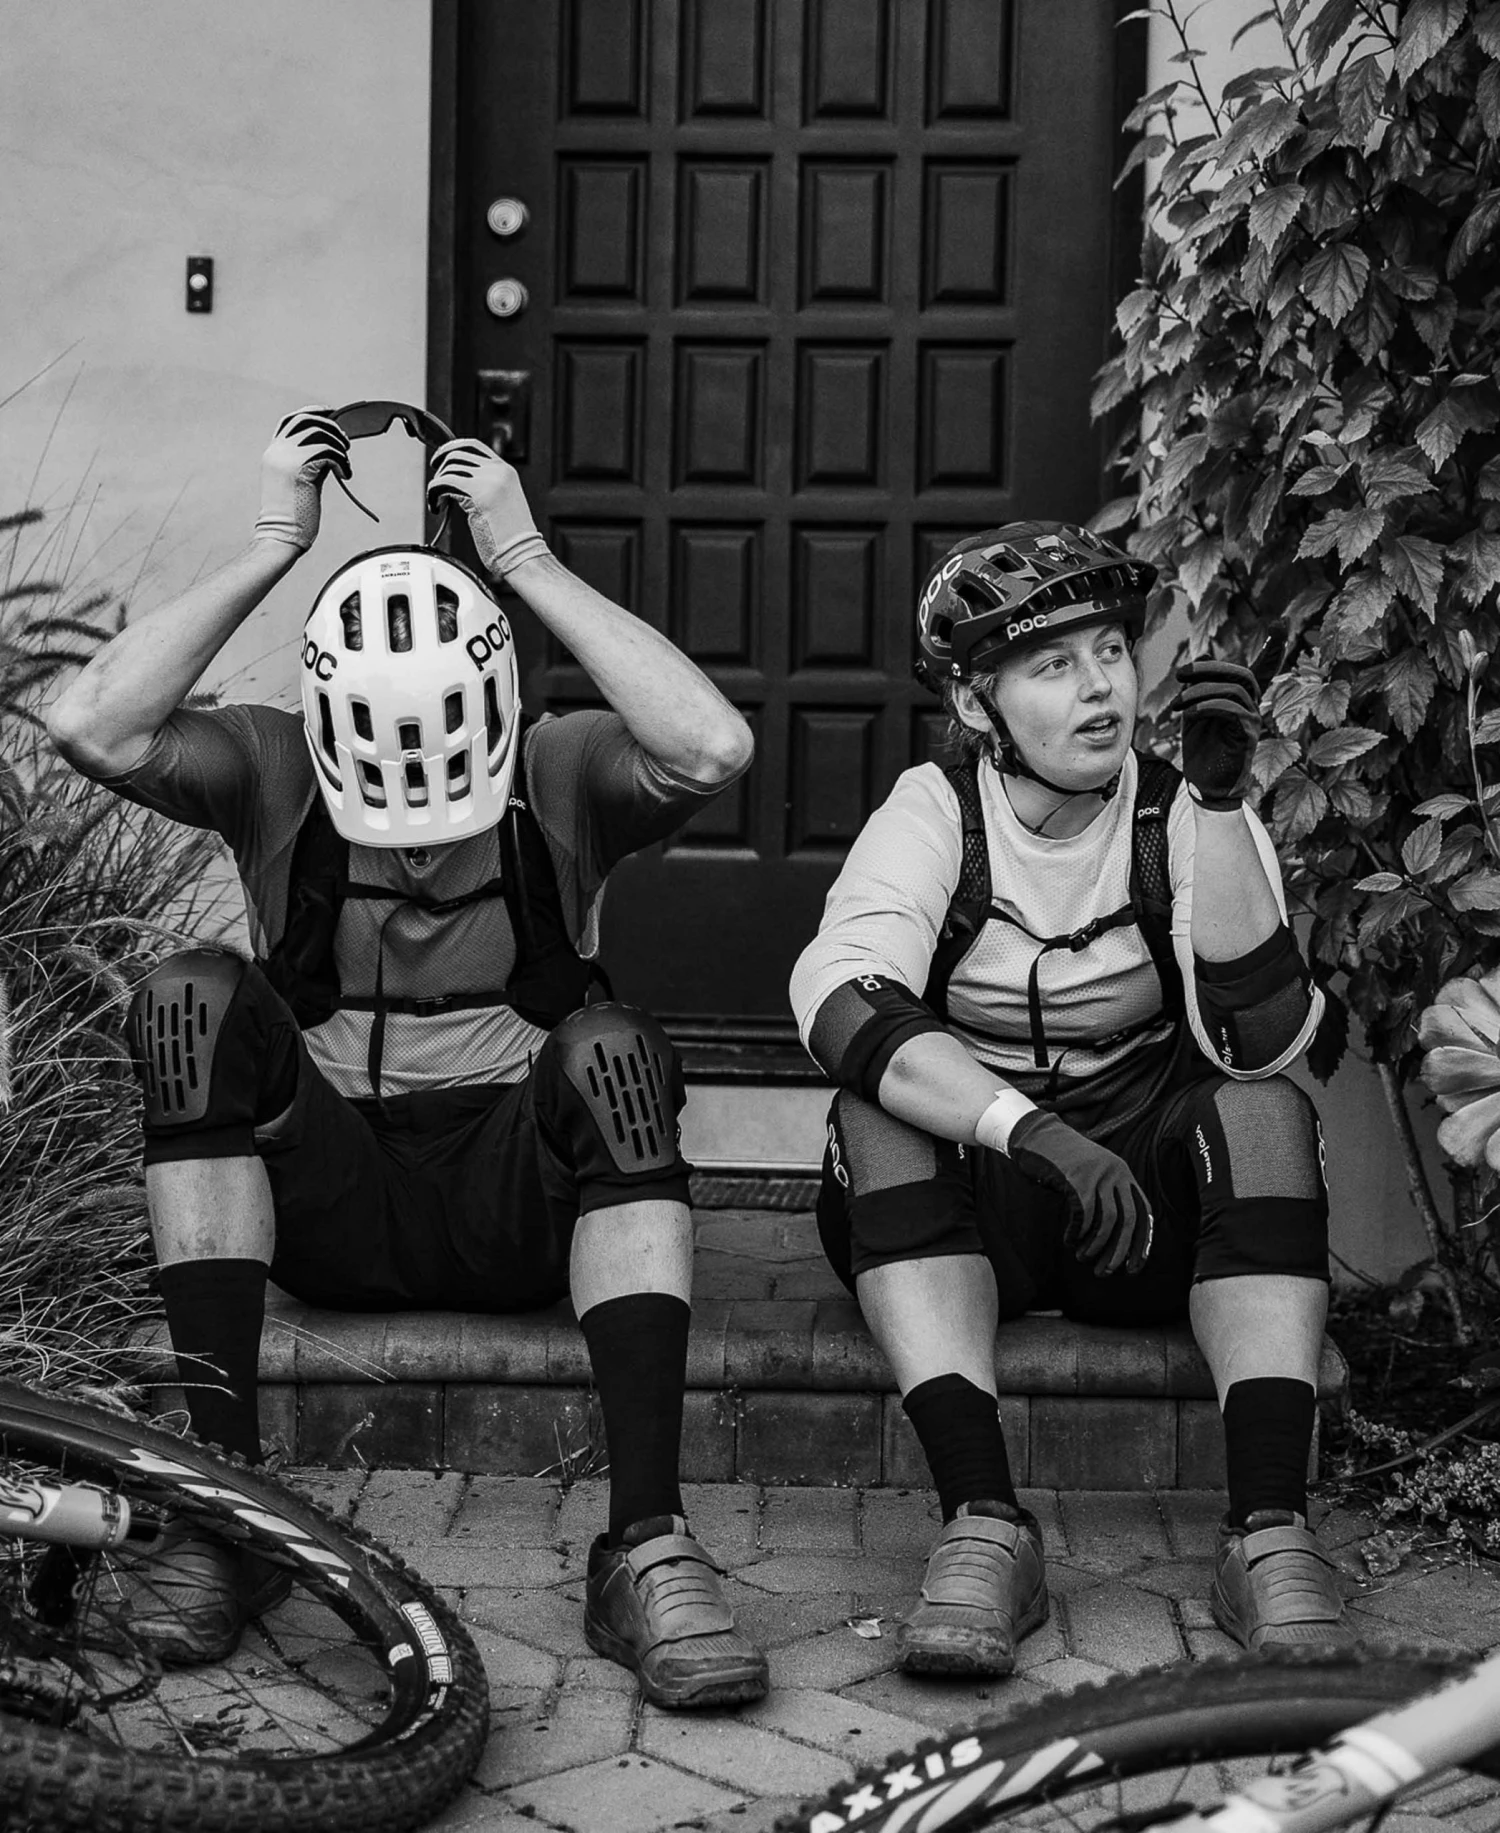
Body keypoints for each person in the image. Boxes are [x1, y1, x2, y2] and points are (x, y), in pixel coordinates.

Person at [46, 408, 769, 1711]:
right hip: (338, 1197)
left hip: (512, 1200)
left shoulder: (555, 770)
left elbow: (712, 745)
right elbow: (91, 722)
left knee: (615, 1054)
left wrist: (526, 558)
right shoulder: (271, 764)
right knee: (187, 1000)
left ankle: (646, 1543)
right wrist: (274, 541)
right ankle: (227, 1511)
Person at [789, 521, 1349, 1677]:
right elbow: (840, 1002)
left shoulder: (1180, 806)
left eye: (1110, 652)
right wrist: (1027, 1129)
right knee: (876, 1113)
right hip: (990, 1199)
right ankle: (984, 1524)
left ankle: (1268, 1532)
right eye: (1054, 665)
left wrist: (1218, 811)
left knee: (1264, 1114)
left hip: (1140, 1208)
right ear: (978, 703)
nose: (1101, 688)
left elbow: (1256, 1037)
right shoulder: (936, 810)